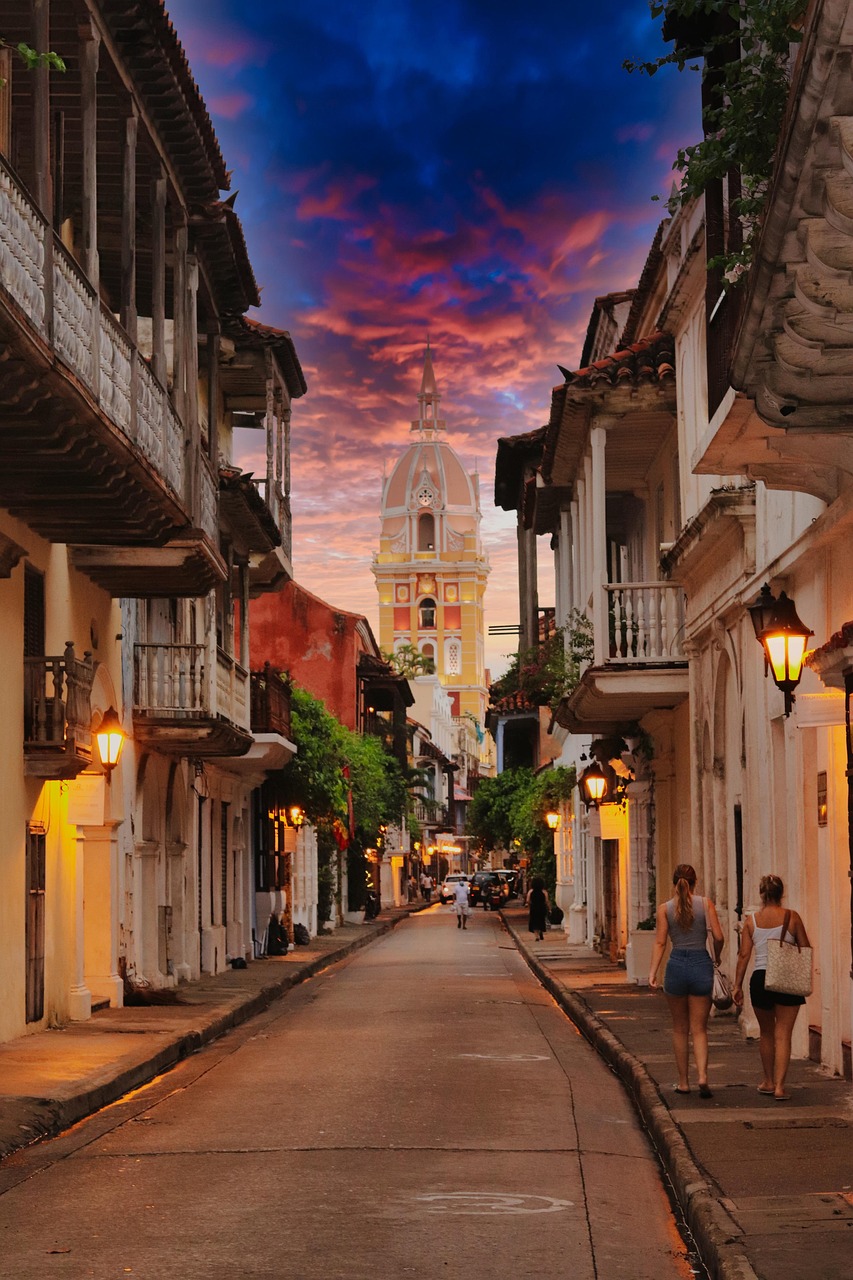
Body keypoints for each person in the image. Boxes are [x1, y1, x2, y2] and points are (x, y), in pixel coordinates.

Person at [649, 863, 724, 1099]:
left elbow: (661, 943)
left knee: (680, 1029)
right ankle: (702, 1075)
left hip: (676, 966)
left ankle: (683, 1082)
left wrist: (653, 972)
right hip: (701, 964)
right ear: (695, 882)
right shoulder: (706, 904)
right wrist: (718, 955)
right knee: (700, 1029)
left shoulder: (664, 909)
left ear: (674, 883)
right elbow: (719, 936)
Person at [732, 874, 810, 1101]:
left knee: (766, 1033)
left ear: (762, 895)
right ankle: (780, 1087)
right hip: (786, 979)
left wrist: (737, 985)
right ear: (781, 894)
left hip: (760, 979)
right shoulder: (792, 918)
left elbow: (744, 955)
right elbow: (805, 947)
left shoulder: (751, 921)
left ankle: (767, 1080)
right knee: (783, 1034)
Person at [526, 876, 550, 941]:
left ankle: (537, 936)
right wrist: (549, 908)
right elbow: (546, 901)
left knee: (534, 922)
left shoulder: (531, 892)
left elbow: (528, 900)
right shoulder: (544, 892)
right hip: (542, 908)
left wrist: (529, 907)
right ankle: (541, 931)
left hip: (534, 908)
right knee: (541, 920)